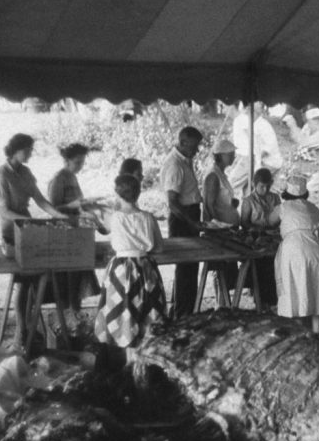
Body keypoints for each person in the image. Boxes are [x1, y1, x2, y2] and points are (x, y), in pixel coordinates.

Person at [0, 133, 69, 349]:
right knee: (23, 282)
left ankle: (30, 327)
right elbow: (3, 210)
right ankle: (20, 330)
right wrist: (28, 220)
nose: (30, 154)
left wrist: (59, 216)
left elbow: (40, 200)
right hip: (12, 230)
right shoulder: (1, 175)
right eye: (27, 150)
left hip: (28, 228)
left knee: (36, 281)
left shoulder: (26, 172)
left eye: (31, 150)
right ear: (15, 150)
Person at [93, 174, 167, 347]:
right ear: (138, 193)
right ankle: (145, 350)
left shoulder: (115, 217)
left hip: (121, 270)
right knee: (148, 309)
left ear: (117, 195)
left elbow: (104, 230)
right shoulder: (148, 217)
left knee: (123, 309)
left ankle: (126, 349)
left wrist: (95, 217)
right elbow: (159, 247)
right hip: (145, 268)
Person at [272, 176, 319, 333]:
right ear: (305, 194)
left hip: (295, 250)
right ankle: (318, 335)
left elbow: (268, 221)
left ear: (286, 194)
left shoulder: (283, 207)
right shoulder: (314, 208)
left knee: (295, 291)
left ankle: (297, 336)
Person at [47, 143, 100, 322]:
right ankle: (66, 318)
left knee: (77, 277)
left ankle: (75, 314)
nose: (80, 166)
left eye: (82, 162)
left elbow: (78, 202)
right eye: (77, 162)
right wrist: (72, 206)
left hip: (76, 230)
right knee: (66, 279)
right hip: (62, 233)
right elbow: (53, 208)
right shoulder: (58, 179)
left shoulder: (72, 177)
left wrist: (87, 204)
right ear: (66, 160)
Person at [162, 126, 204, 318]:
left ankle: (183, 312)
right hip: (183, 220)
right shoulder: (175, 165)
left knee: (189, 269)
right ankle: (182, 315)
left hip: (189, 217)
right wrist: (192, 223)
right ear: (183, 142)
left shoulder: (184, 161)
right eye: (194, 146)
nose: (196, 151)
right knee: (186, 271)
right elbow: (173, 203)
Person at [241, 168, 281, 308]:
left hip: (274, 240)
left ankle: (274, 303)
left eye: (268, 186)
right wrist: (256, 229)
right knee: (261, 269)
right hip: (258, 239)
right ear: (254, 184)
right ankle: (261, 303)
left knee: (276, 269)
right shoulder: (248, 201)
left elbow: (280, 218)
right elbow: (244, 222)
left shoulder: (275, 198)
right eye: (262, 186)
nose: (265, 189)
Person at [202, 139, 240, 225]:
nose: (233, 157)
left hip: (227, 226)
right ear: (221, 156)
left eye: (233, 154)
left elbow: (220, 201)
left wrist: (230, 203)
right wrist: (218, 226)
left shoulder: (221, 174)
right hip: (220, 229)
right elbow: (209, 206)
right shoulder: (213, 176)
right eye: (230, 154)